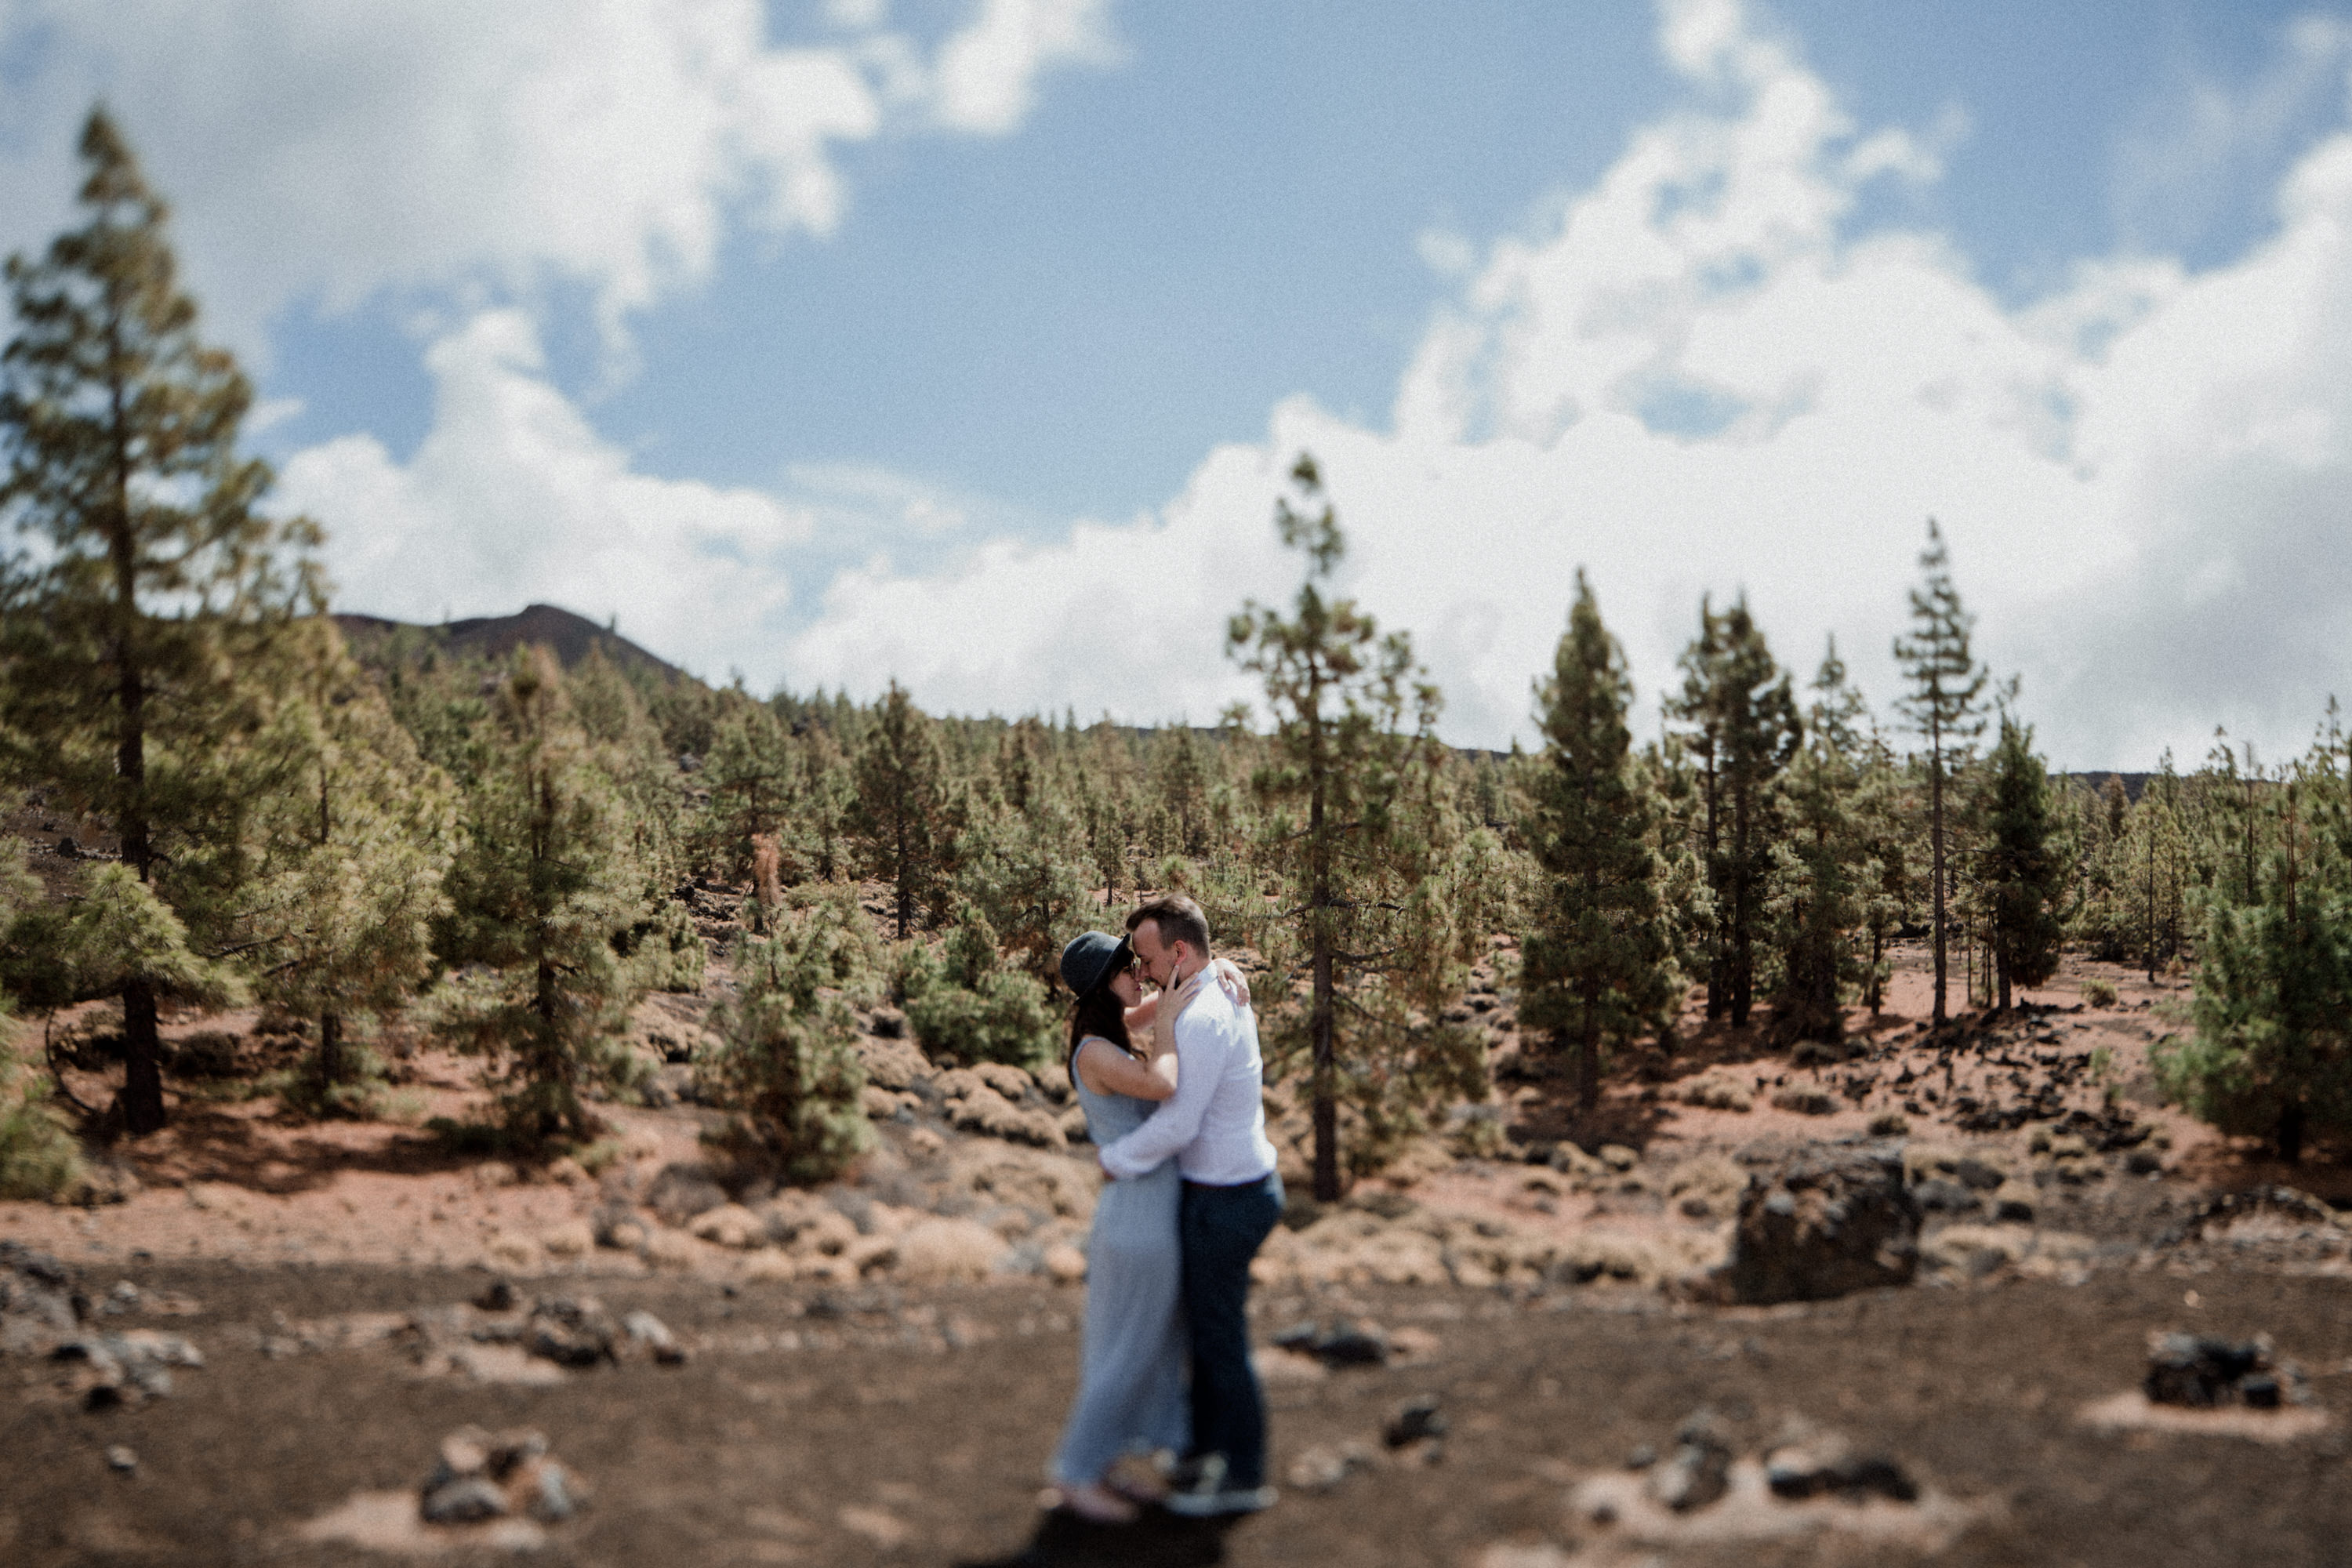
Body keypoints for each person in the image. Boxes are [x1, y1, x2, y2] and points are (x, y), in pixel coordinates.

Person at [1097, 894, 1284, 1518]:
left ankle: (1243, 1475)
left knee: (1220, 1339)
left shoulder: (1203, 1014)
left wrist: (1116, 1160)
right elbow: (1130, 1020)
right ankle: (1206, 1453)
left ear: (1179, 951)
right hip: (1224, 1190)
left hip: (1226, 1200)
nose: (1141, 969)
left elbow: (1179, 1124)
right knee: (1206, 1334)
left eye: (1147, 957)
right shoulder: (1199, 989)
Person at [1046, 930, 1189, 1525]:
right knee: (1129, 1349)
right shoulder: (1098, 1052)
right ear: (1105, 983)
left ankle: (1103, 1465)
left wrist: (1207, 973)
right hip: (1138, 1215)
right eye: (1128, 967)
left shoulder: (1106, 1033)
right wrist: (1173, 1026)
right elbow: (1163, 1084)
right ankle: (1074, 1474)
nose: (1139, 973)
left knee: (1133, 1345)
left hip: (1143, 1207)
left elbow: (1159, 1002)